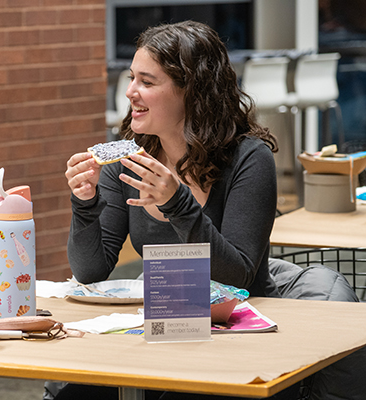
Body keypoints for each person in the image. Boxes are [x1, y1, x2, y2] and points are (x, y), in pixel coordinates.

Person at [62, 20, 294, 400]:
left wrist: (175, 203)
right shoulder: (125, 160)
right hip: (162, 329)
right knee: (75, 394)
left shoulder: (249, 159)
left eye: (147, 82)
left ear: (193, 92)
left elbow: (238, 273)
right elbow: (91, 270)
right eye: (131, 78)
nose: (131, 92)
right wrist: (84, 203)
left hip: (238, 339)